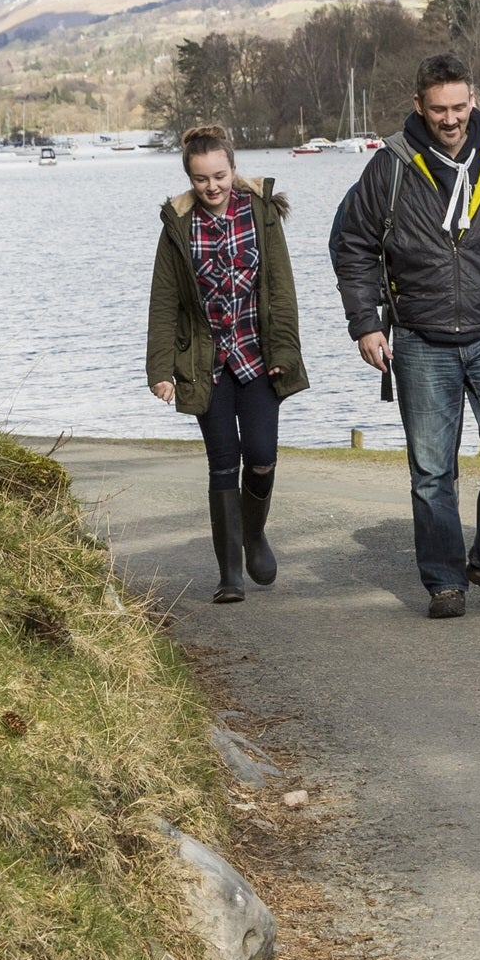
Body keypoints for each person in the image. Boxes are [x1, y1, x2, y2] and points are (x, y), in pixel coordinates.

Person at [330, 55, 480, 618]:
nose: (452, 119)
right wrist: (365, 322)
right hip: (420, 336)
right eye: (439, 109)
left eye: (461, 107)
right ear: (419, 107)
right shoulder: (390, 168)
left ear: (473, 101)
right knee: (433, 470)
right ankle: (443, 580)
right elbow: (351, 245)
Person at [146, 127, 309, 603]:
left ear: (232, 169)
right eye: (201, 179)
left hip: (258, 359)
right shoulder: (178, 226)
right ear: (189, 179)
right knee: (223, 465)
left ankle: (254, 533)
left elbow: (282, 289)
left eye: (219, 175)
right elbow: (164, 302)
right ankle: (230, 575)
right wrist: (160, 369)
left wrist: (283, 352)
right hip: (205, 365)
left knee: (260, 457)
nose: (211, 186)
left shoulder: (260, 212)